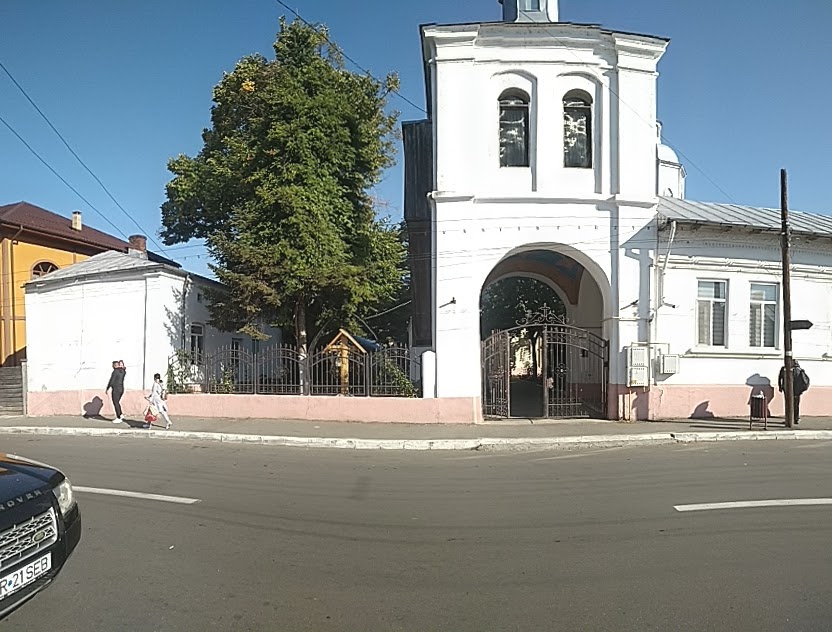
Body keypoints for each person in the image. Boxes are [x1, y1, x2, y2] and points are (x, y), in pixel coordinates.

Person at [779, 361, 810, 425]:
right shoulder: (799, 370)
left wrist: (780, 387)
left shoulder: (784, 369)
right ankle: (795, 418)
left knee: (788, 404)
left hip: (788, 390)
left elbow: (780, 378)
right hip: (797, 390)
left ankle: (789, 419)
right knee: (796, 405)